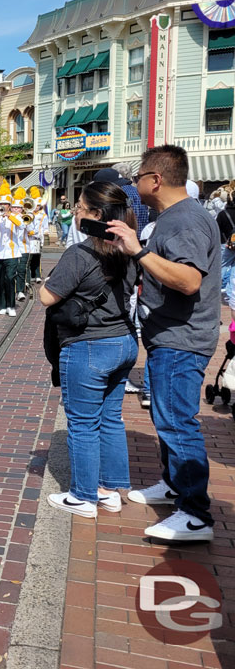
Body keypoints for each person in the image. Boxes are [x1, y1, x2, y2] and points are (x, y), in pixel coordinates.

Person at [107, 144, 220, 542]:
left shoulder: (186, 220)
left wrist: (138, 250)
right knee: (167, 418)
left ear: (155, 180)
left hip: (181, 339)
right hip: (169, 336)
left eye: (138, 177)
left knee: (177, 423)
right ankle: (175, 486)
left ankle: (195, 514)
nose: (135, 185)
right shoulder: (175, 217)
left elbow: (188, 280)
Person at [41, 182, 139, 518]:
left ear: (97, 215)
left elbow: (47, 297)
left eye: (81, 208)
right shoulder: (129, 249)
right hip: (124, 341)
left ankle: (83, 496)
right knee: (110, 418)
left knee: (82, 423)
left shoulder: (80, 254)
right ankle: (109, 490)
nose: (76, 212)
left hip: (89, 346)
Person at [0, 180, 22, 316]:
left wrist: (10, 216)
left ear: (10, 205)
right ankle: (1, 305)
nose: (3, 206)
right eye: (1, 204)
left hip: (12, 253)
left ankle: (11, 305)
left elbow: (23, 226)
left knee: (9, 278)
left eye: (6, 204)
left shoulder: (17, 217)